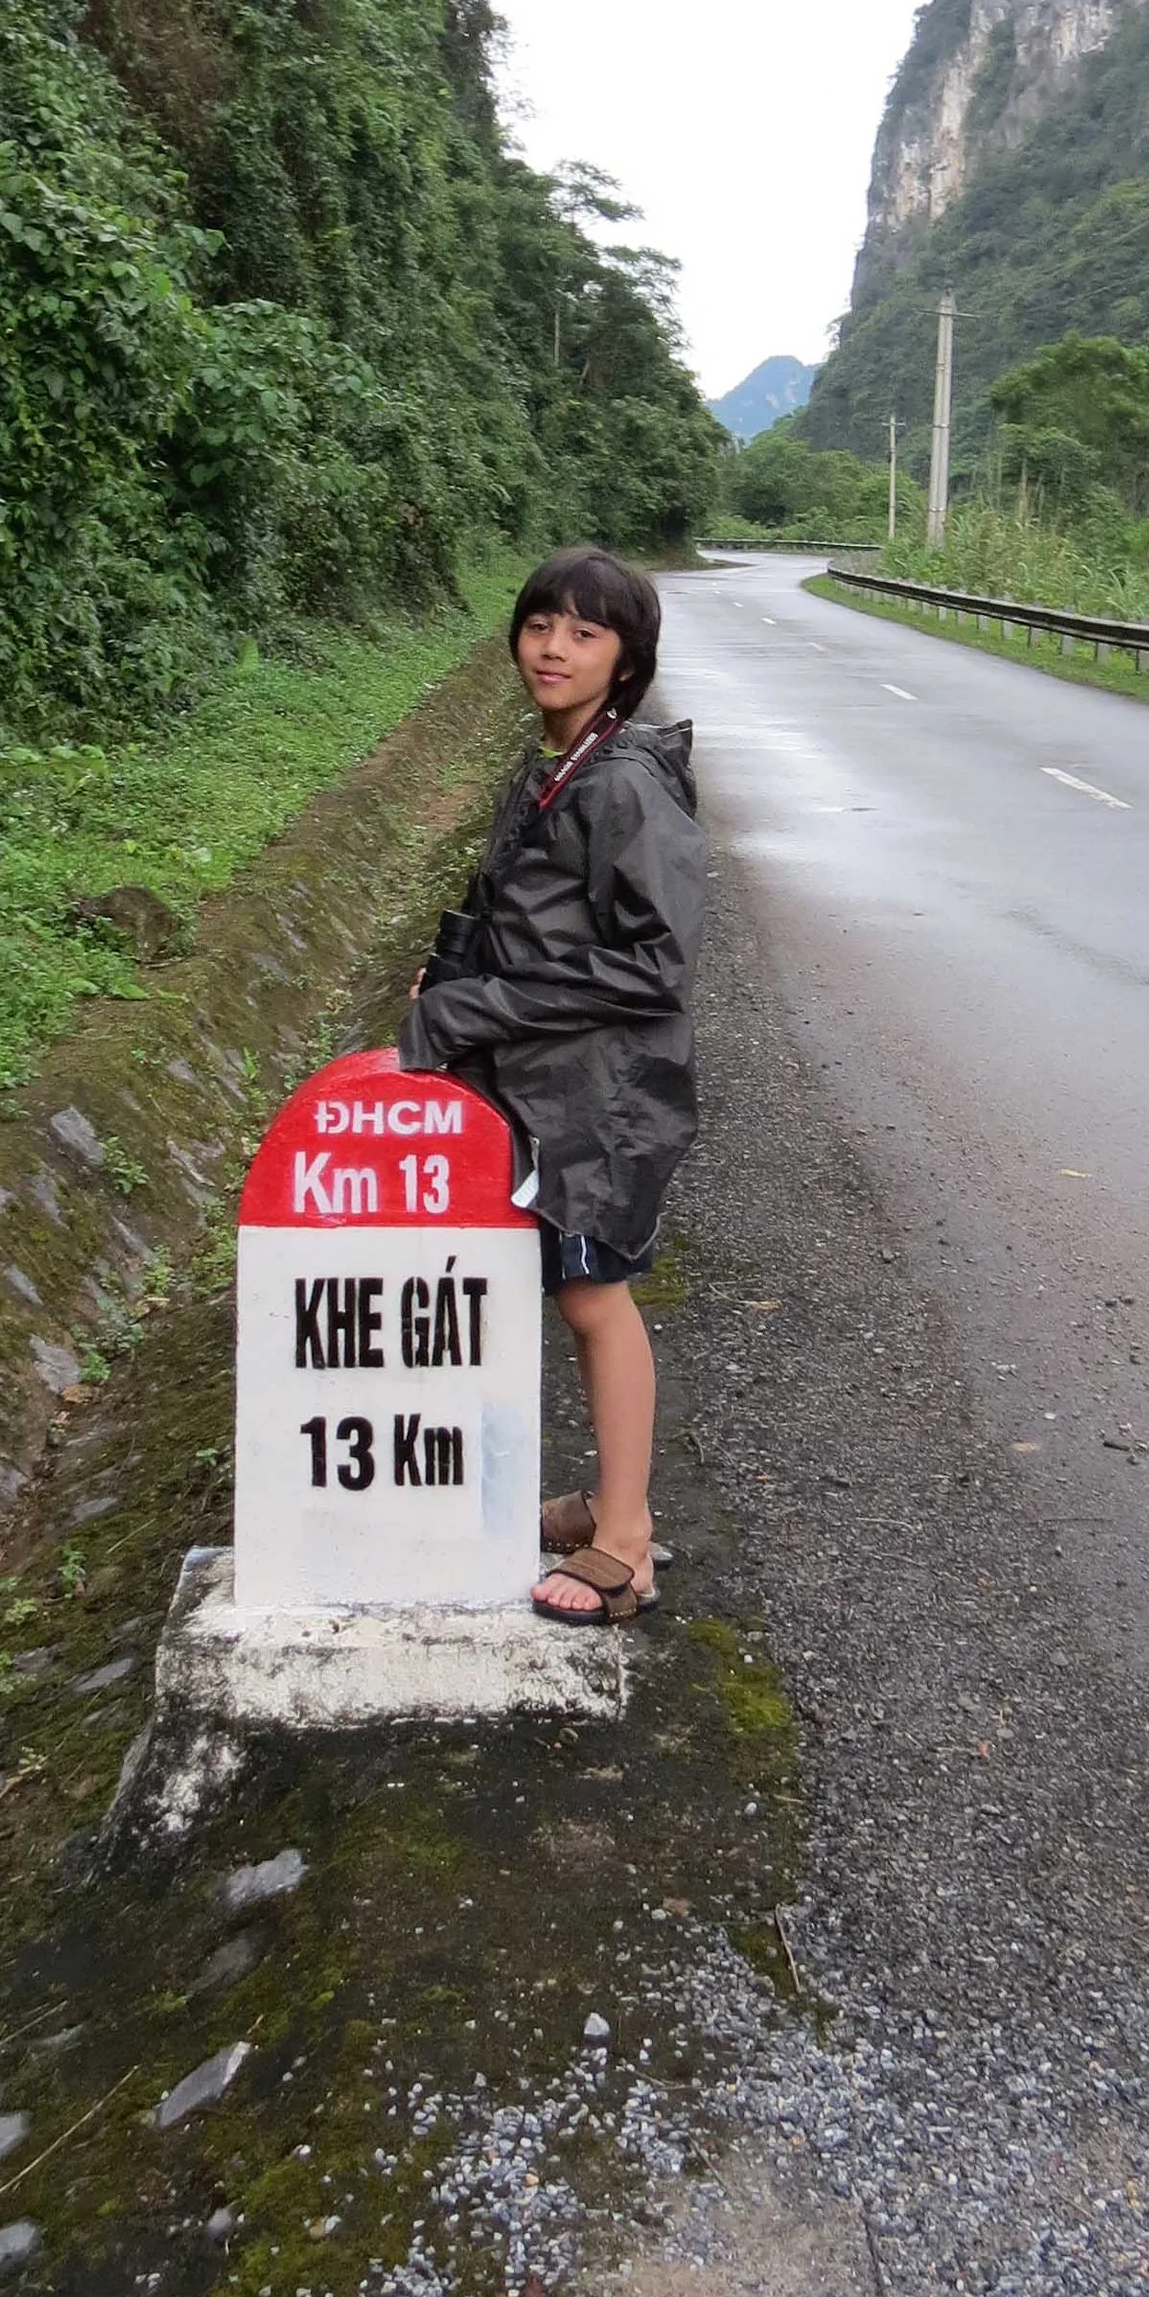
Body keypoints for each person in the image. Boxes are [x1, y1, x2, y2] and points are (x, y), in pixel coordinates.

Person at [399, 547, 704, 1624]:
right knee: (564, 1287)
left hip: (600, 1090)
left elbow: (654, 965)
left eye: (584, 632)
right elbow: (527, 916)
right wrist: (453, 975)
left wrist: (478, 1006)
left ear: (626, 660)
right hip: (544, 1077)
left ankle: (626, 1543)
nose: (553, 648)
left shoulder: (622, 784)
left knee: (592, 1295)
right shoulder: (555, 768)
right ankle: (603, 1504)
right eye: (539, 624)